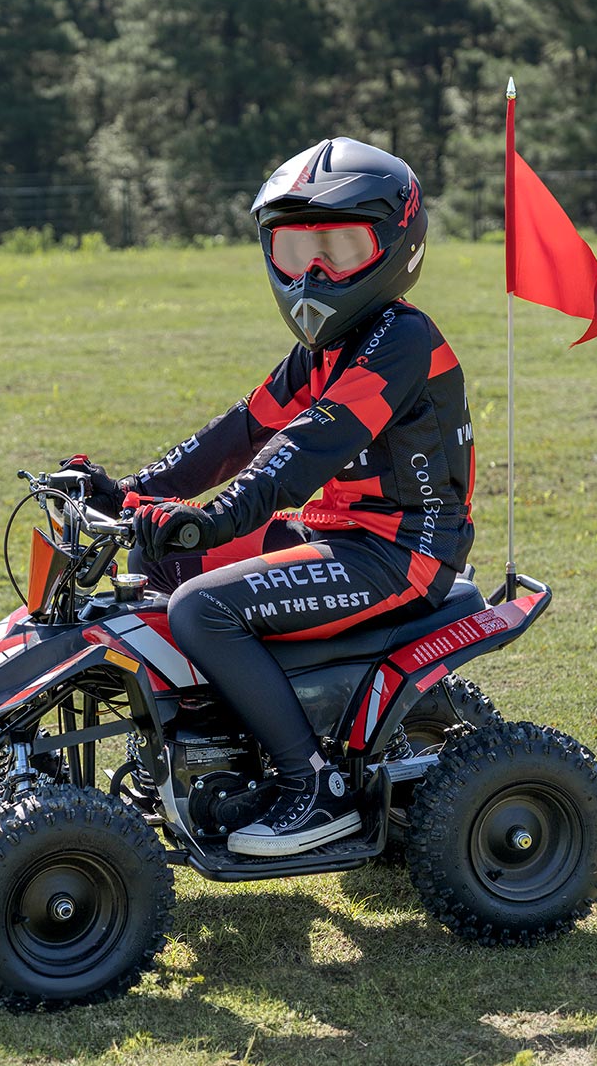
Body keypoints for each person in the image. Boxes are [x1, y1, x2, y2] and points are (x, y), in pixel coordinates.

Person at [65, 137, 474, 857]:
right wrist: (128, 495)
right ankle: (222, 752)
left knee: (203, 606)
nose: (314, 271)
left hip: (400, 554)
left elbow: (301, 453)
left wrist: (212, 520)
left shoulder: (398, 340)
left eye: (341, 249)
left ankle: (312, 786)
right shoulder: (322, 349)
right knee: (160, 576)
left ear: (397, 245)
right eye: (294, 252)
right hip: (337, 535)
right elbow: (237, 434)